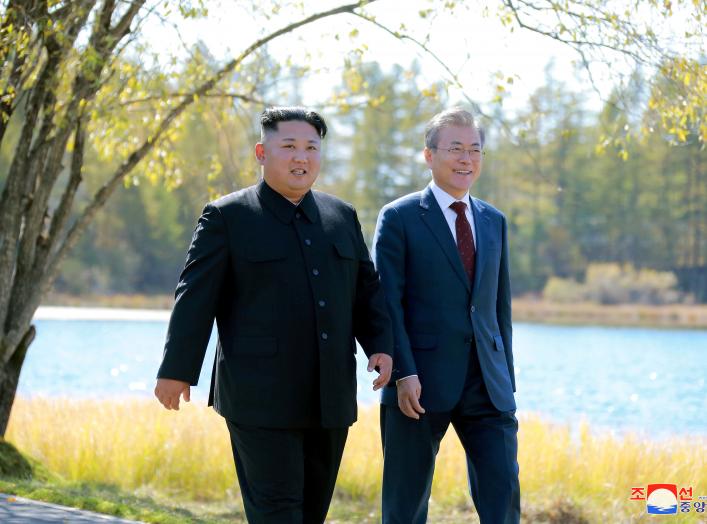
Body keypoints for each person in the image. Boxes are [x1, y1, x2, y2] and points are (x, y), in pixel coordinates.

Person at [155, 106, 393, 524]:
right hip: (258, 399)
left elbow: (366, 291)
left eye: (311, 148)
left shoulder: (342, 216)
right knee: (277, 513)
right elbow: (194, 297)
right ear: (262, 152)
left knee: (311, 513)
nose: (301, 158)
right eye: (289, 147)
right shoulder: (227, 216)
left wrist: (381, 347)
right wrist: (177, 369)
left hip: (330, 397)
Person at [373, 108, 520, 523]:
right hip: (417, 384)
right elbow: (388, 304)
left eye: (475, 150)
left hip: (488, 385)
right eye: (455, 148)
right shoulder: (399, 217)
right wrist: (404, 372)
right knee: (406, 504)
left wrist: (505, 378)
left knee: (503, 495)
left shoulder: (494, 221)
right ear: (429, 155)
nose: (466, 159)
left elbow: (498, 308)